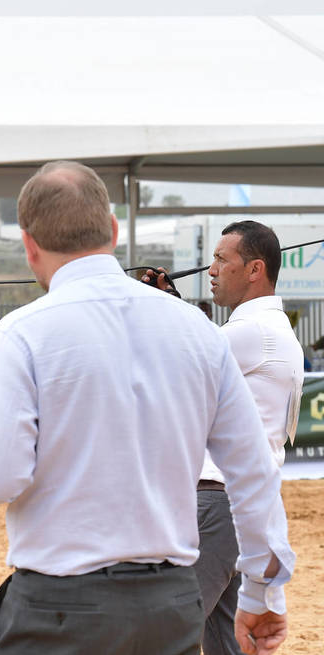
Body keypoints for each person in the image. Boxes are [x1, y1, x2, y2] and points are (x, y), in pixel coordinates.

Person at [0, 161, 293, 655]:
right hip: (167, 600)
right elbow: (253, 473)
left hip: (58, 602)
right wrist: (264, 590)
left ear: (30, 246)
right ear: (113, 231)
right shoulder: (199, 330)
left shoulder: (20, 332)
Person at [144, 220, 304, 655]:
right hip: (242, 509)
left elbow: (175, 360)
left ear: (254, 269)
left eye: (220, 259)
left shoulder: (253, 332)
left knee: (167, 633)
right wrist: (170, 304)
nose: (210, 269)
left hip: (218, 504)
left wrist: (154, 304)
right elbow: (198, 346)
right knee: (224, 643)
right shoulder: (268, 330)